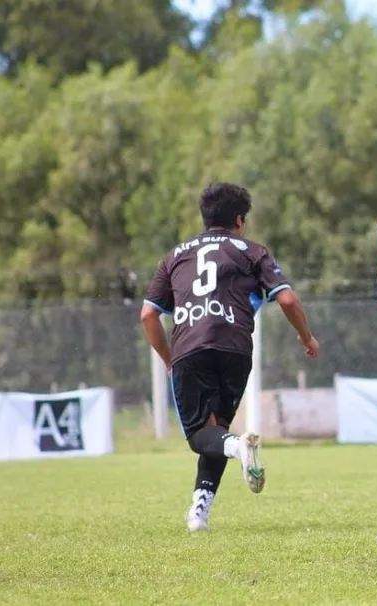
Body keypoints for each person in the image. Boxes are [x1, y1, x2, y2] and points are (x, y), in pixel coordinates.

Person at [140, 182, 320, 533]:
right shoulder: (252, 251)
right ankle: (198, 512)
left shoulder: (175, 256)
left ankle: (238, 448)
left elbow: (148, 315)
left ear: (205, 217)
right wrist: (307, 337)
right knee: (216, 432)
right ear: (239, 220)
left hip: (190, 346)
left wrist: (168, 358)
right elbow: (286, 299)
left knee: (201, 436)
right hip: (236, 348)